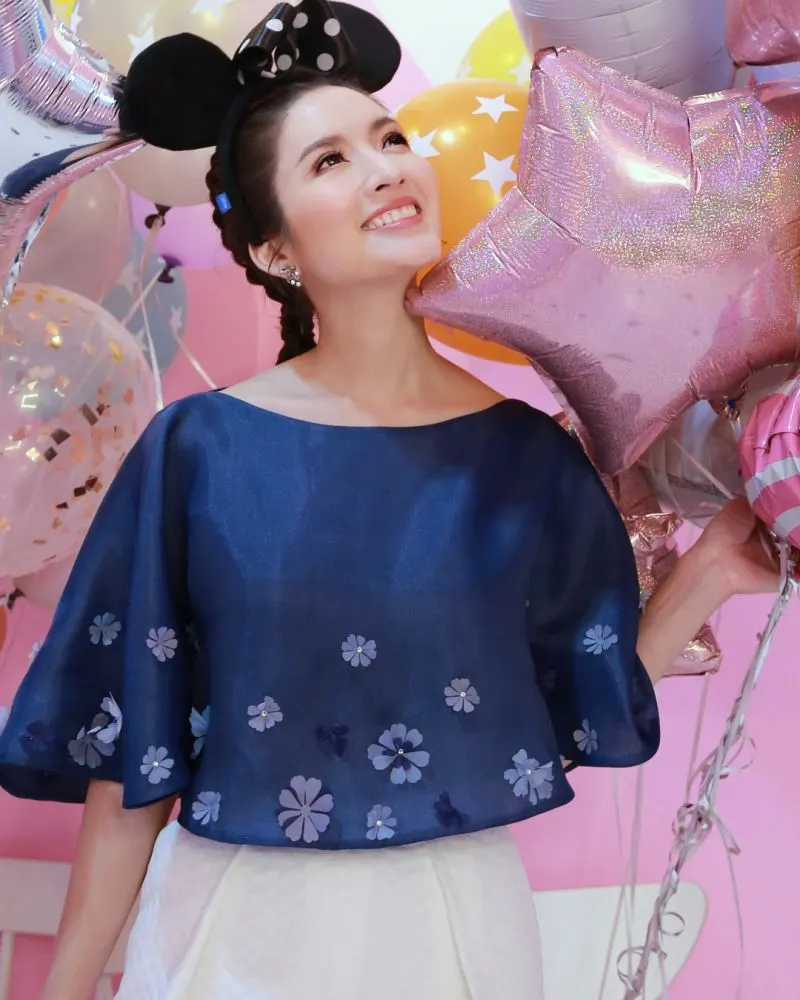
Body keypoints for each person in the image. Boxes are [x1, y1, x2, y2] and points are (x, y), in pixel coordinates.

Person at [0, 2, 779, 998]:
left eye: (390, 139)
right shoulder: (197, 453)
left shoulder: (528, 455)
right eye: (330, 161)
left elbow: (576, 701)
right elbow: (133, 762)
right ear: (275, 252)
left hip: (456, 925)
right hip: (233, 925)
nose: (385, 169)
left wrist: (709, 569)